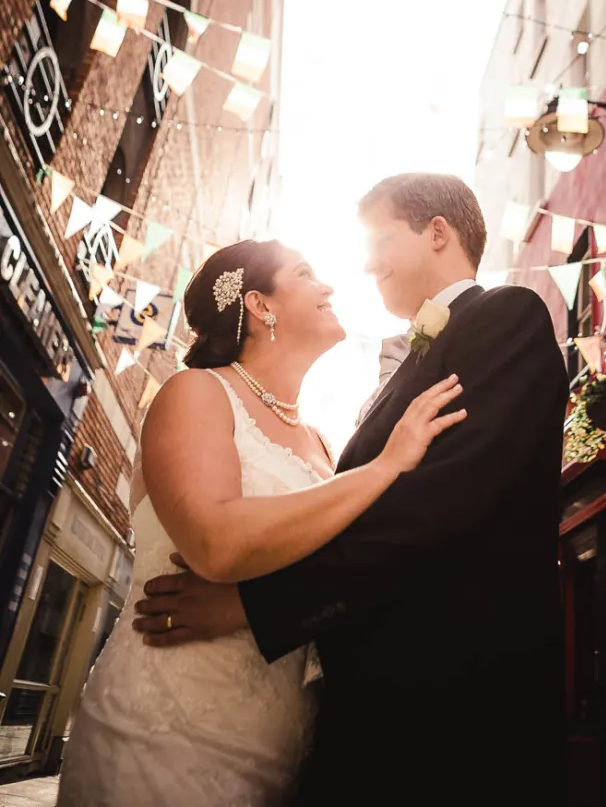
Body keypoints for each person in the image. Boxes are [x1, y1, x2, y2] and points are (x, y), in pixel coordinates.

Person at [135, 173, 570, 804]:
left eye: (380, 240)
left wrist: (254, 608)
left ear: (438, 234)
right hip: (362, 717)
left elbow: (435, 510)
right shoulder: (396, 375)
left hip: (456, 721)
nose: (364, 265)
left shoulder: (506, 318)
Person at [57, 239, 466, 807]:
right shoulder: (196, 392)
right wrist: (387, 467)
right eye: (306, 273)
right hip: (165, 734)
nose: (328, 287)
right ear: (260, 304)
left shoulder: (323, 444)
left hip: (283, 748)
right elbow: (217, 544)